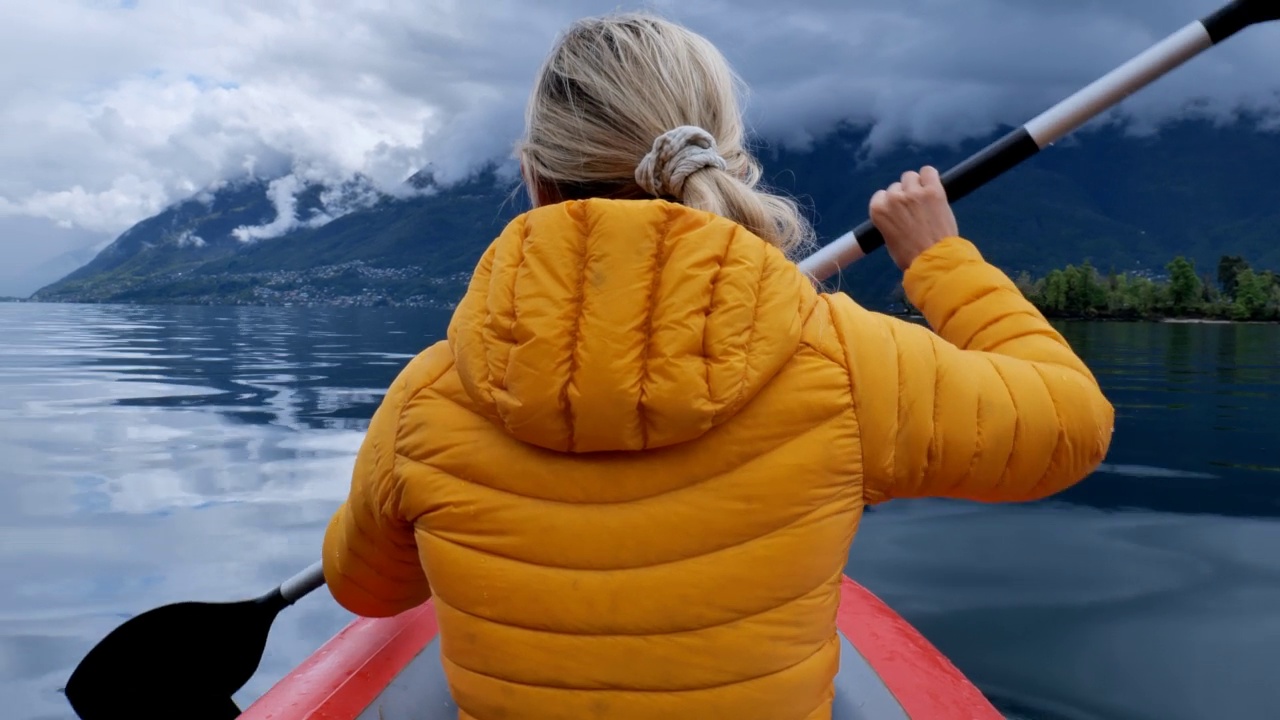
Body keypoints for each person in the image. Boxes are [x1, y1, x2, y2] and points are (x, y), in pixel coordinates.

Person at [322, 11, 1114, 720]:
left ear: (536, 178)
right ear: (724, 168)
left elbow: (371, 590)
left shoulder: (428, 397)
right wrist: (941, 260)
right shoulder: (844, 362)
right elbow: (1072, 424)